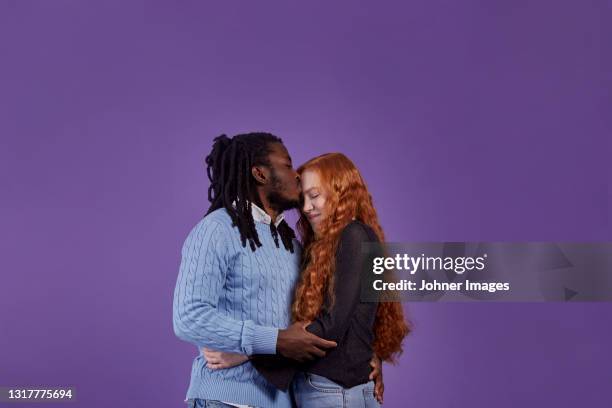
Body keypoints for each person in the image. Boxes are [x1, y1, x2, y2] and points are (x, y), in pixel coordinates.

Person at [205, 153, 409, 407]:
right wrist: (369, 354)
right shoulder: (335, 243)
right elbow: (355, 322)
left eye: (315, 196)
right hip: (344, 388)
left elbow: (331, 326)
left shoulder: (353, 235)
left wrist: (248, 353)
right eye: (303, 199)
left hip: (331, 391)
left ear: (341, 192)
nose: (306, 207)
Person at [172, 133, 339, 408]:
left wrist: (370, 356)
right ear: (260, 173)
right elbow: (189, 316)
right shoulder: (217, 229)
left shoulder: (291, 245)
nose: (297, 175)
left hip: (283, 400)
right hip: (227, 399)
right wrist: (274, 340)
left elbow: (299, 330)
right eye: (287, 165)